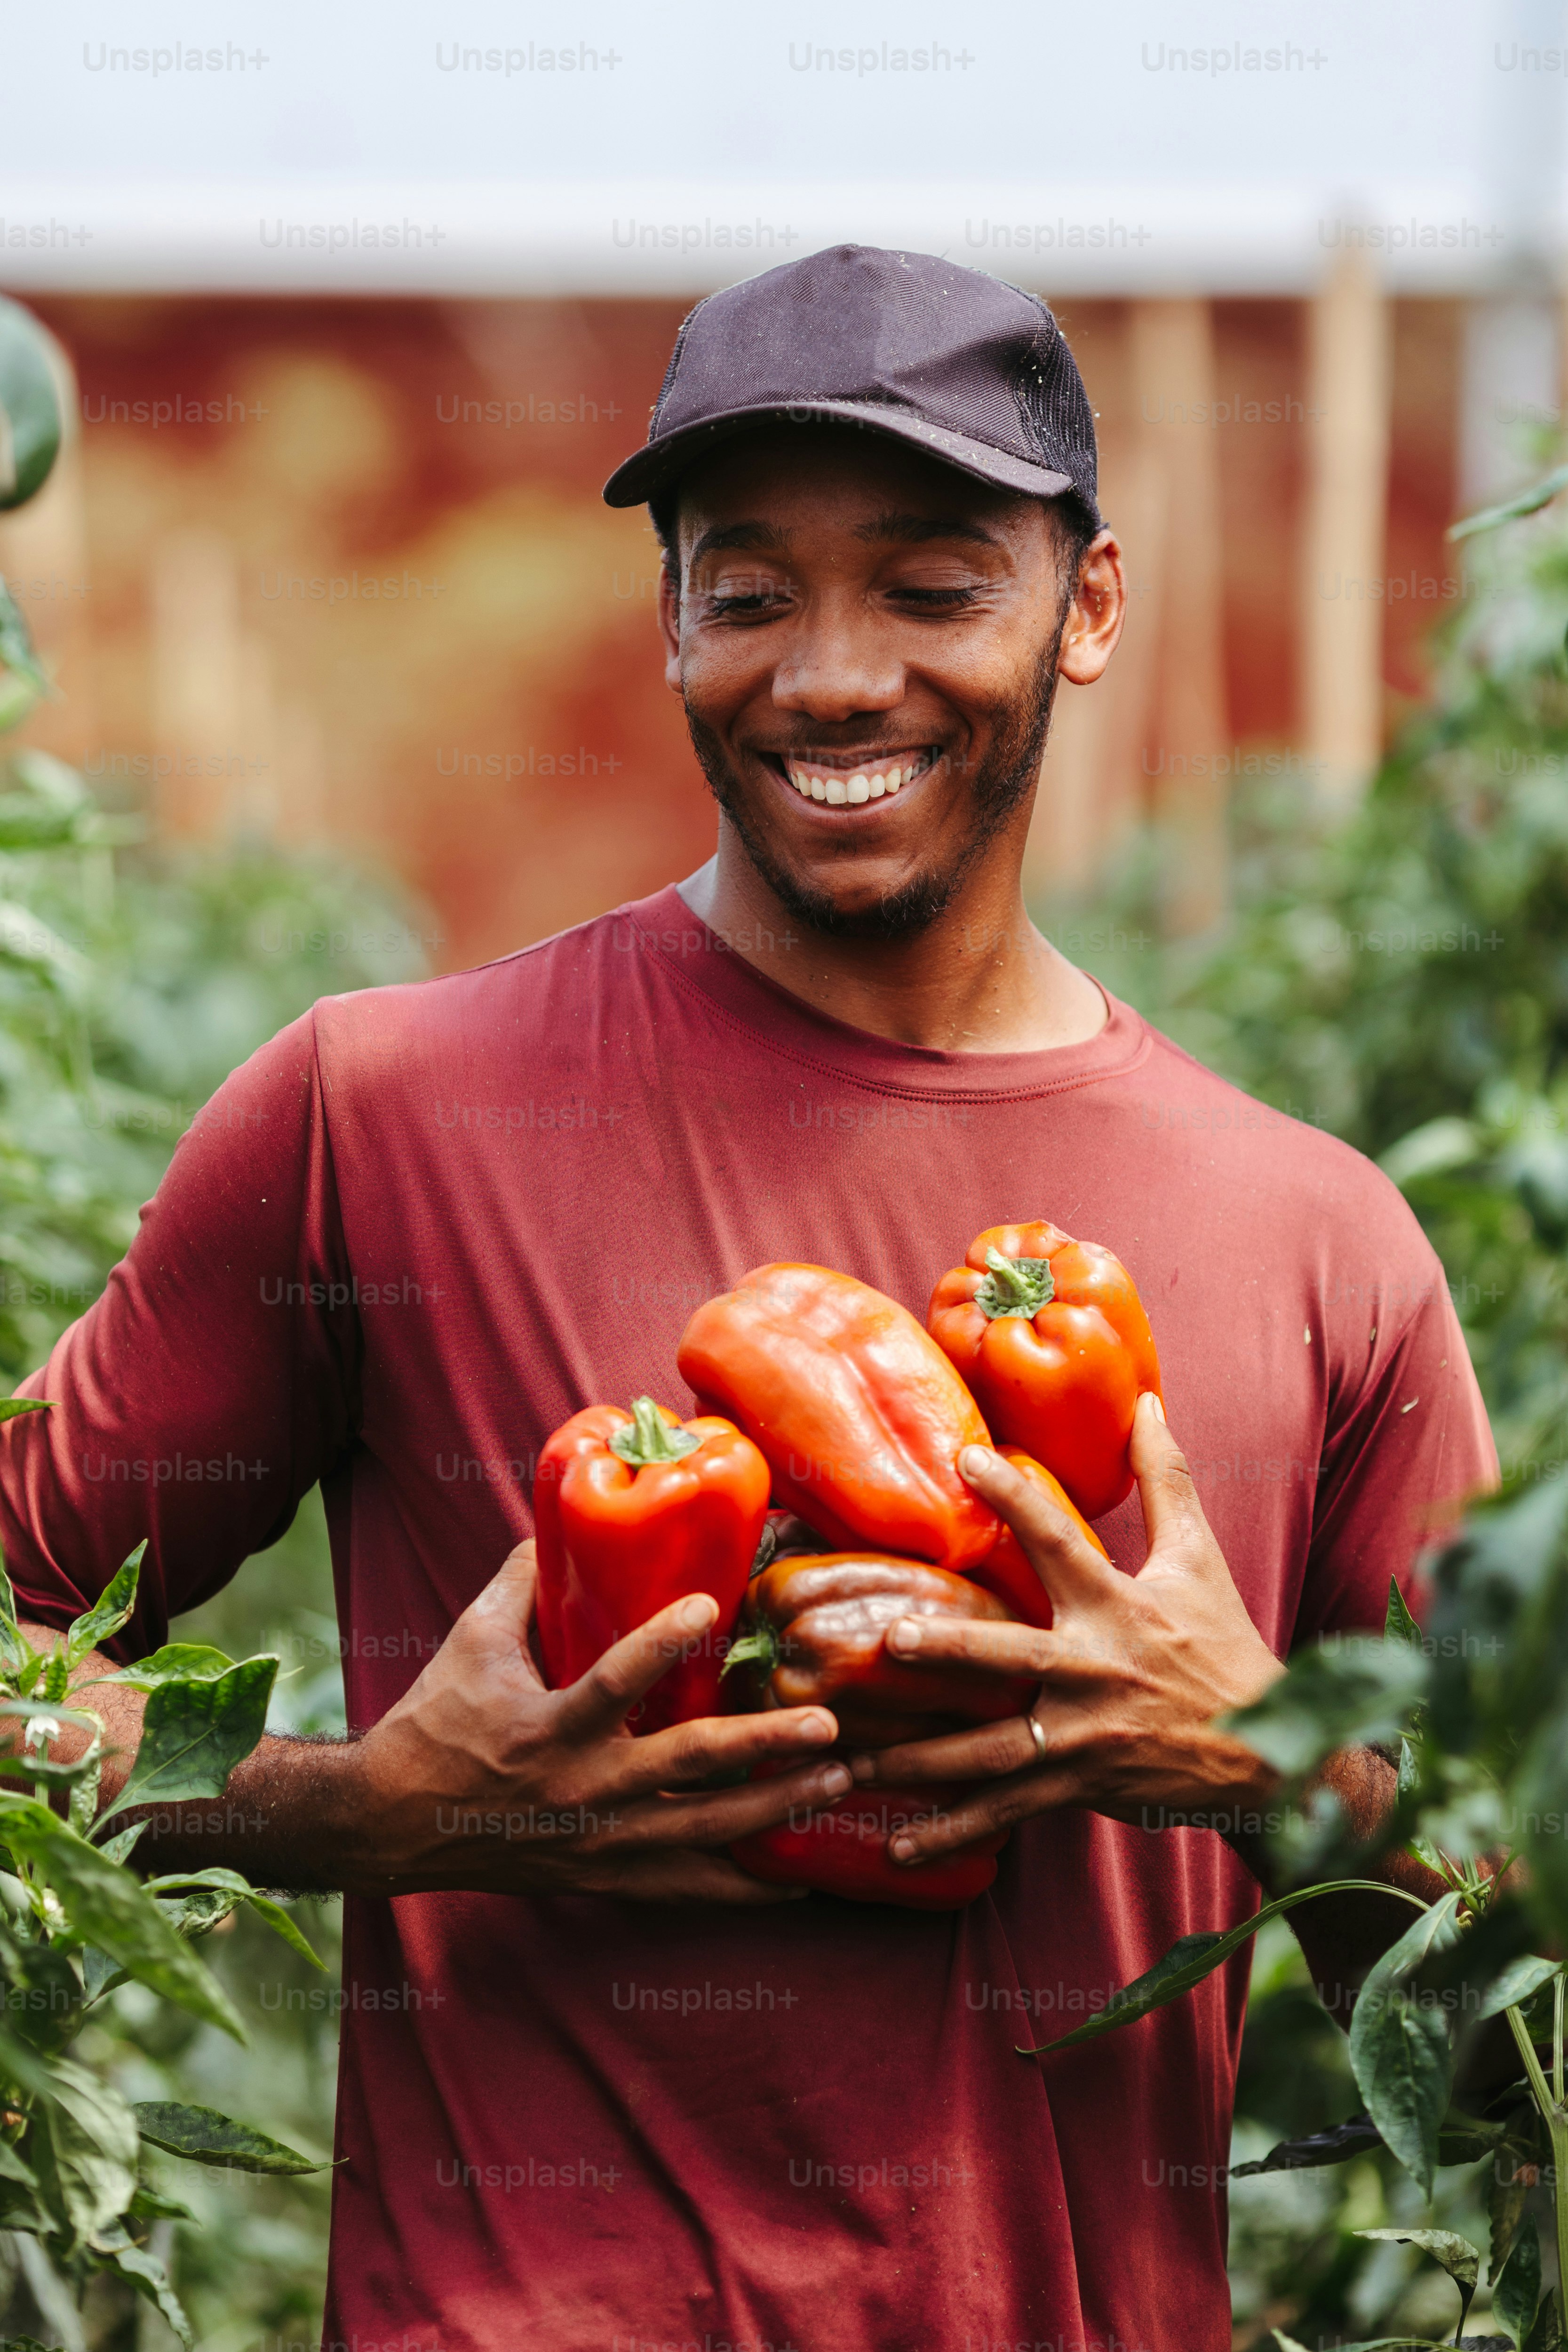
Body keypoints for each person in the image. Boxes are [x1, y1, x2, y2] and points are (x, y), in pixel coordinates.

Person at [0, 246, 1494, 2352]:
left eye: (932, 580)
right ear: (675, 625)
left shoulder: (1324, 1238)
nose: (830, 673)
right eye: (751, 588)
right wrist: (360, 1807)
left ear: (1090, 605)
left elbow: (1506, 1997)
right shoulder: (379, 1112)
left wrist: (1269, 1756)